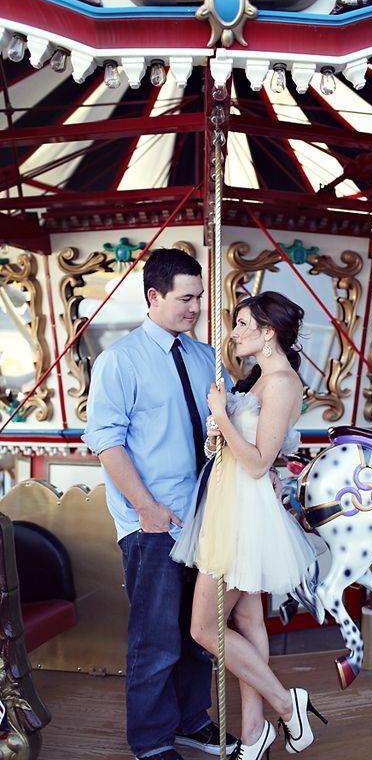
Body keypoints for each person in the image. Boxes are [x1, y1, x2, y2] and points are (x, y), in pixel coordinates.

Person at [82, 248, 237, 760]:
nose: (195, 307)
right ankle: (150, 740)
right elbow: (106, 440)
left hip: (206, 517)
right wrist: (145, 507)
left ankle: (192, 720)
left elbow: (230, 426)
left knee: (199, 634)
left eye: (198, 297)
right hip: (155, 522)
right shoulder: (120, 361)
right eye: (185, 298)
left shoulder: (204, 356)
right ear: (154, 296)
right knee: (157, 638)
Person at [172, 291, 327, 760]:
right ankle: (257, 732)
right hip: (225, 503)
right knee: (247, 617)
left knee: (203, 627)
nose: (234, 333)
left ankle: (286, 702)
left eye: (242, 324)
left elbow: (259, 464)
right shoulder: (258, 379)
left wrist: (221, 414)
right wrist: (217, 435)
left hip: (243, 512)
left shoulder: (281, 382)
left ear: (268, 331)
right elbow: (239, 453)